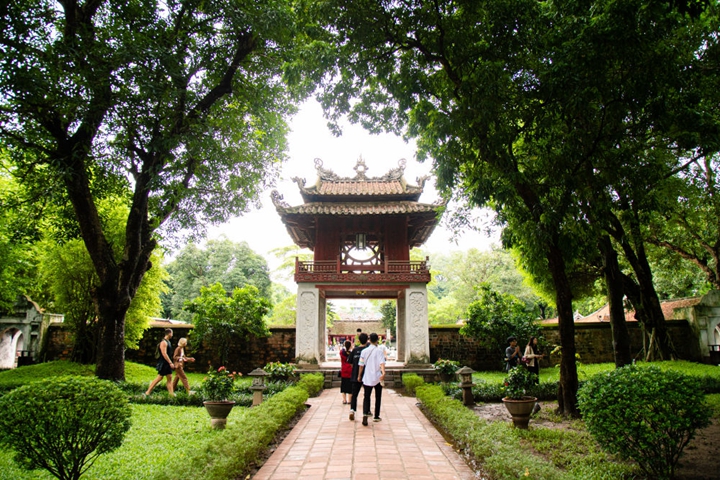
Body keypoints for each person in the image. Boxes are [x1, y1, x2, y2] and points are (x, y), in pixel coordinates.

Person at [357, 332, 386, 426]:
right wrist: (383, 373)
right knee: (378, 396)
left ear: (369, 340)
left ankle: (365, 413)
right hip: (377, 377)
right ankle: (376, 416)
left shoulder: (364, 351)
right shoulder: (379, 351)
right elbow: (382, 363)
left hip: (367, 377)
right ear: (377, 340)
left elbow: (361, 365)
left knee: (366, 396)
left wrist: (359, 375)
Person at [145, 329, 175, 396]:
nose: (172, 335)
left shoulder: (168, 342)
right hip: (164, 363)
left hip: (167, 363)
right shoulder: (163, 342)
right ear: (169, 333)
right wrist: (170, 362)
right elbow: (164, 353)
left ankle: (171, 394)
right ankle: (148, 392)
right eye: (172, 333)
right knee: (159, 378)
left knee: (169, 378)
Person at [347, 332, 369, 421]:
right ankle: (365, 412)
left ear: (359, 340)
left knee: (354, 394)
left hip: (355, 375)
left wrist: (355, 368)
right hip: (367, 375)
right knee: (367, 395)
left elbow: (350, 363)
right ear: (367, 340)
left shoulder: (355, 350)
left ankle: (352, 410)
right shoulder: (368, 350)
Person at [524, 336, 544, 414]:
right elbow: (526, 356)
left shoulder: (536, 347)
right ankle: (530, 385)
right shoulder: (529, 347)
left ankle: (535, 385)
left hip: (535, 364)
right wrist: (534, 355)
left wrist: (539, 356)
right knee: (531, 376)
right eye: (535, 340)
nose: (536, 341)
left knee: (536, 376)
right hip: (531, 365)